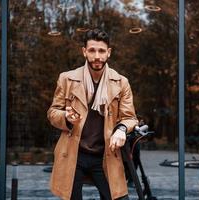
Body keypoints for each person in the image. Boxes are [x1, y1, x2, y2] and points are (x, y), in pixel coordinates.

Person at [47, 28, 138, 200]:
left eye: (101, 51)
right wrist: (65, 117)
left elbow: (129, 117)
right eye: (92, 50)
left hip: (106, 155)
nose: (97, 56)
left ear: (108, 53)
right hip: (73, 154)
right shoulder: (66, 79)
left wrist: (121, 130)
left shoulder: (121, 82)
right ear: (84, 52)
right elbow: (52, 113)